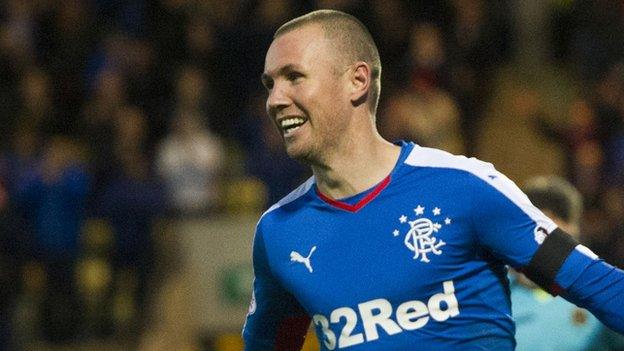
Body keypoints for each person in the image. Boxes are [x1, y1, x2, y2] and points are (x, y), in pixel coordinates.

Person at [242, 10, 624, 350]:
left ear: (357, 81)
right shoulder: (279, 234)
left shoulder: (464, 187)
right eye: (269, 84)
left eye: (293, 77)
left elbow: (599, 286)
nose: (275, 99)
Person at [511, 176, 624, 351]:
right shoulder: (485, 292)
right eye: (534, 215)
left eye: (555, 217)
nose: (541, 234)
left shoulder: (601, 293)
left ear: (574, 231)